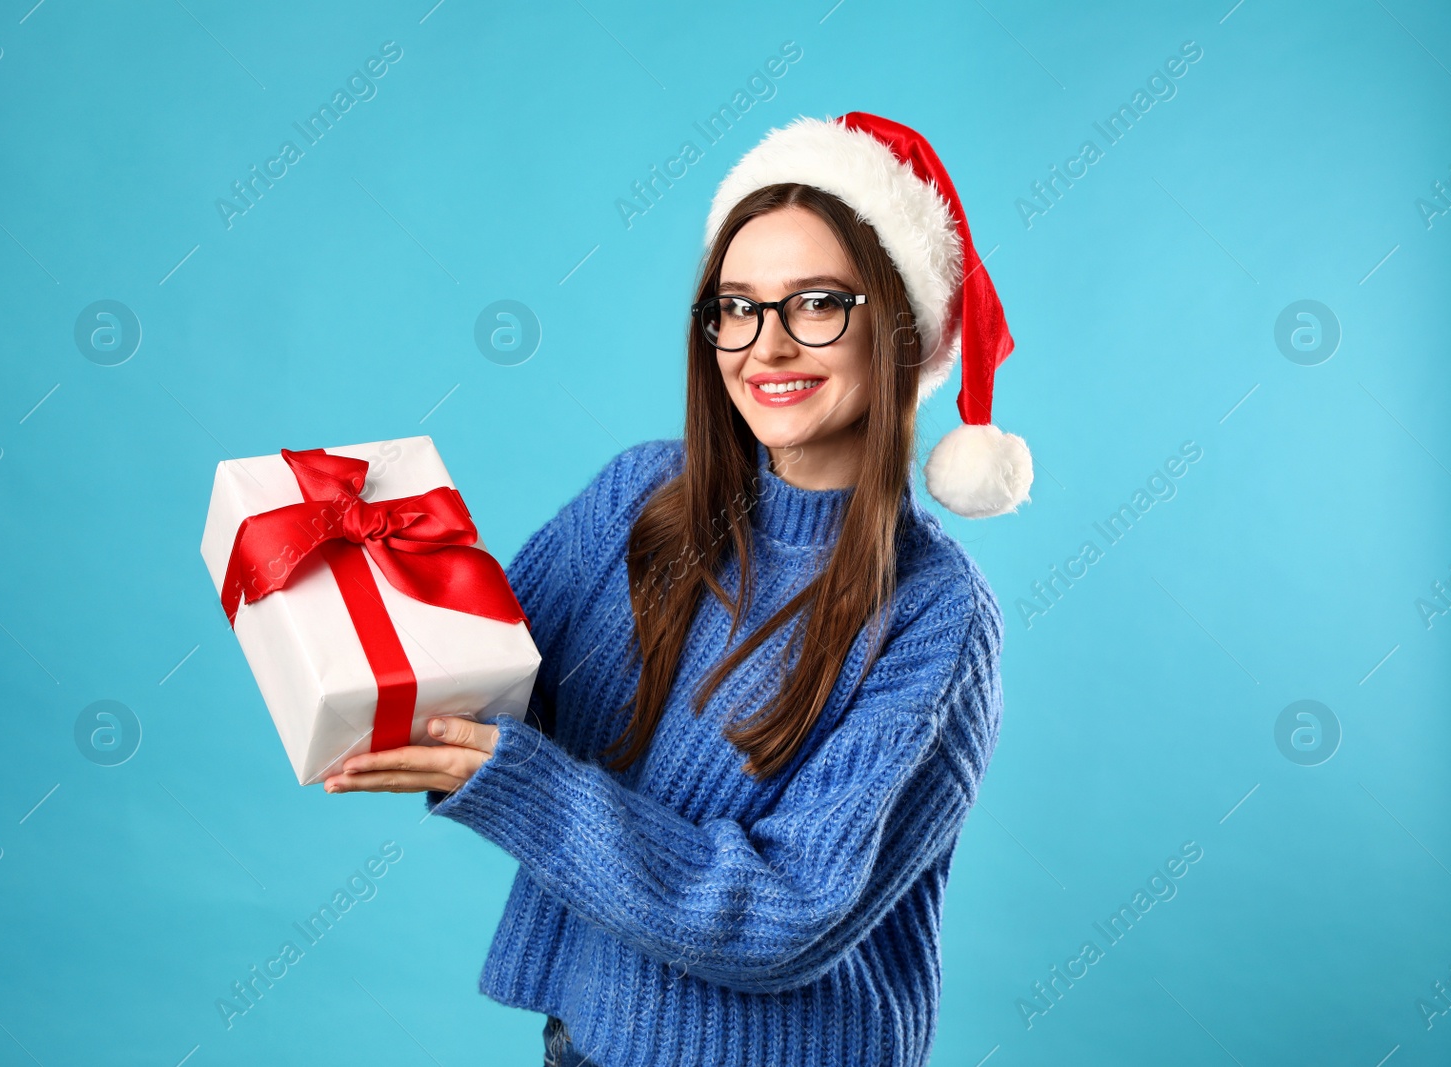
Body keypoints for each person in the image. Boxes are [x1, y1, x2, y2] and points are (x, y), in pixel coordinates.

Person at [323, 112, 1034, 1067]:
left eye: (817, 303)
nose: (766, 346)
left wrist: (520, 783)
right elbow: (482, 683)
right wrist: (334, 580)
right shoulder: (639, 500)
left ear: (898, 326)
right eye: (736, 306)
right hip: (588, 1044)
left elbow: (789, 913)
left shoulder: (937, 618)